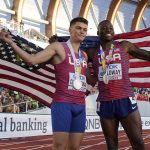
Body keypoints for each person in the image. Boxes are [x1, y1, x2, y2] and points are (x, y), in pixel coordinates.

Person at [0, 17, 88, 150]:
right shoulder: (58, 47)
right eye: (78, 28)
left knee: (75, 147)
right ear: (70, 29)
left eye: (85, 30)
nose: (82, 31)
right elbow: (32, 60)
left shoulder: (84, 55)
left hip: (81, 105)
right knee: (59, 146)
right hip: (63, 103)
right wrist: (11, 43)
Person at [86, 20, 150, 150]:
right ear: (98, 32)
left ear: (114, 32)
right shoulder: (92, 52)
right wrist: (57, 42)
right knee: (112, 145)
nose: (108, 29)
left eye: (110, 27)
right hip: (105, 102)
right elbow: (72, 53)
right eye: (103, 28)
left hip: (125, 98)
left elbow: (147, 55)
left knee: (138, 142)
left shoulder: (124, 46)